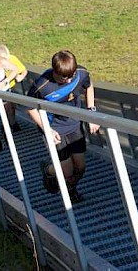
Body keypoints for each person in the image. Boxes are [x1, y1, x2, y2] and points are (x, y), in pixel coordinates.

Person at [27, 50, 100, 203]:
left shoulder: (81, 73)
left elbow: (89, 86)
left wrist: (91, 112)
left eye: (71, 76)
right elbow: (30, 107)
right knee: (67, 170)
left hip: (74, 126)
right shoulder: (42, 85)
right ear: (54, 71)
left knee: (80, 167)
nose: (68, 81)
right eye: (63, 77)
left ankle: (70, 187)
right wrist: (47, 129)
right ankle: (50, 171)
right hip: (54, 129)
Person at [0, 45, 28, 132]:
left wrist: (21, 76)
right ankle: (7, 126)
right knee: (6, 108)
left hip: (11, 87)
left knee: (12, 107)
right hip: (0, 89)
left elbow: (23, 70)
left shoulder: (12, 59)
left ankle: (12, 123)